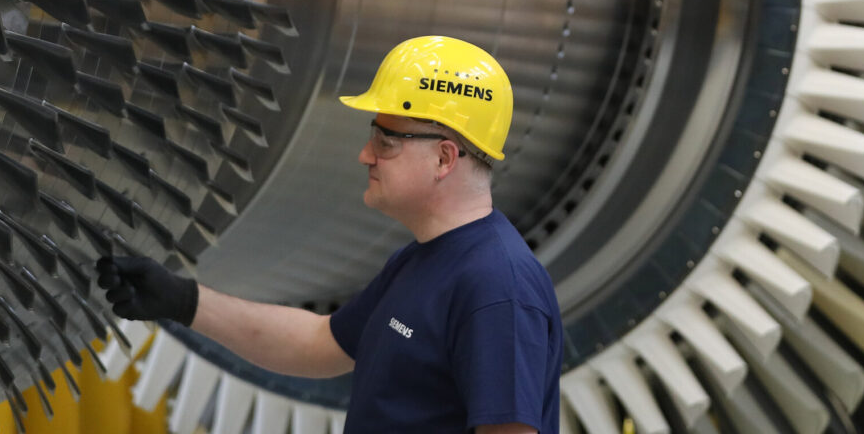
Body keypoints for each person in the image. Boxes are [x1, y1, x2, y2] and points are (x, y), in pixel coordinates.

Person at [97, 35, 563, 433]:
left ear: (444, 158)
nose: (365, 155)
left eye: (385, 141)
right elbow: (320, 343)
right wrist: (183, 301)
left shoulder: (497, 288)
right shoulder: (421, 261)